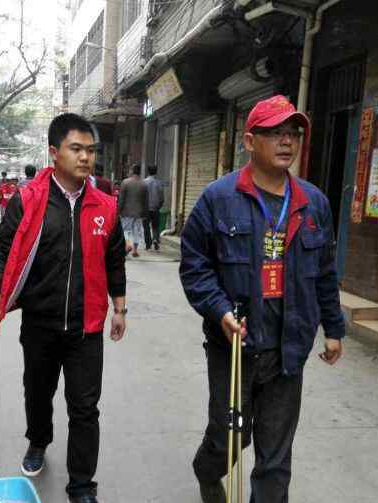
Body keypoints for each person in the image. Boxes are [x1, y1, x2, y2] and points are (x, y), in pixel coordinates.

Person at [179, 95, 345, 503]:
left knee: (275, 455)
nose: (286, 142)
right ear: (250, 141)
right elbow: (194, 265)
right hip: (234, 348)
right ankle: (207, 469)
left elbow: (324, 271)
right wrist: (219, 311)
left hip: (288, 349)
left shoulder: (313, 203)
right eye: (275, 133)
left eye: (293, 133)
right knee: (231, 437)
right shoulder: (218, 198)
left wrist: (333, 328)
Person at [0, 113, 127, 503]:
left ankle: (82, 486)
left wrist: (120, 307)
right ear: (53, 153)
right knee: (37, 393)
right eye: (76, 149)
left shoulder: (105, 206)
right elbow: (2, 252)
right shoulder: (29, 201)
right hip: (40, 324)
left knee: (85, 409)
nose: (85, 158)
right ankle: (38, 440)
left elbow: (114, 259)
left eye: (90, 150)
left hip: (87, 327)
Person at [117, 164, 148, 257]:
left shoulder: (125, 182)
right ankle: (135, 250)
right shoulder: (144, 184)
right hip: (139, 213)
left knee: (126, 230)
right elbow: (146, 201)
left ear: (132, 171)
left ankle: (127, 245)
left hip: (126, 212)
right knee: (136, 231)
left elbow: (121, 199)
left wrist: (118, 210)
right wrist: (145, 213)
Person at [143, 164, 165, 251]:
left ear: (148, 172)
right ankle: (155, 239)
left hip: (146, 209)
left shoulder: (144, 182)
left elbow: (142, 196)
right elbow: (162, 198)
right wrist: (159, 206)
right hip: (156, 208)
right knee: (155, 226)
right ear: (156, 172)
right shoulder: (159, 183)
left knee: (146, 227)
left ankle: (148, 244)